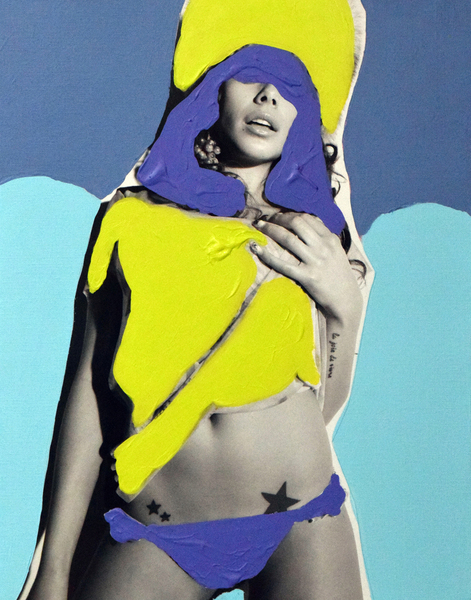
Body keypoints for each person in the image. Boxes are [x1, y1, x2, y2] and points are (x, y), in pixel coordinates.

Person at [23, 44, 371, 600]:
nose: (268, 97)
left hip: (301, 516)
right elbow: (88, 392)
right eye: (251, 78)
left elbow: (325, 404)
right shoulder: (130, 219)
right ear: (214, 95)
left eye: (289, 92)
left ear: (303, 119)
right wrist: (53, 568)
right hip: (162, 527)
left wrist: (345, 309)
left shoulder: (313, 234)